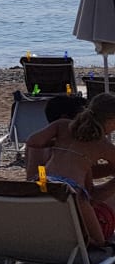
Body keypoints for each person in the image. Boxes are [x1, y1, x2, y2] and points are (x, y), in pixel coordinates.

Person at [25, 92, 115, 245]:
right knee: (96, 234)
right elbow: (89, 191)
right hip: (72, 194)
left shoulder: (61, 127)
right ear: (110, 121)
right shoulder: (102, 144)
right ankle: (95, 241)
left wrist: (55, 145)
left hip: (42, 184)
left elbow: (33, 142)